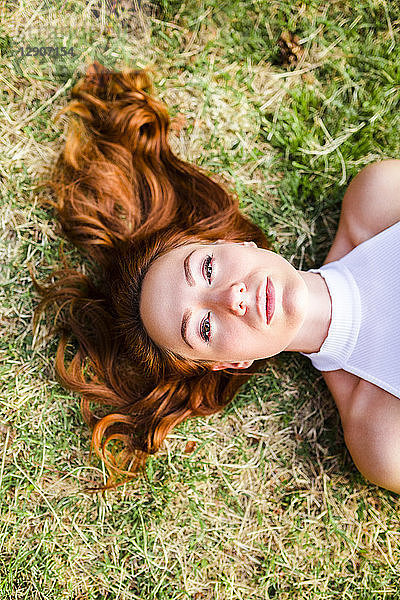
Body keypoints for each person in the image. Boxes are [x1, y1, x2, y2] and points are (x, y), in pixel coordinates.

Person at [32, 61, 400, 494]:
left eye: (207, 268)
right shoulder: (380, 437)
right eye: (203, 327)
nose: (233, 298)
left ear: (238, 245)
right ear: (229, 363)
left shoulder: (377, 201)